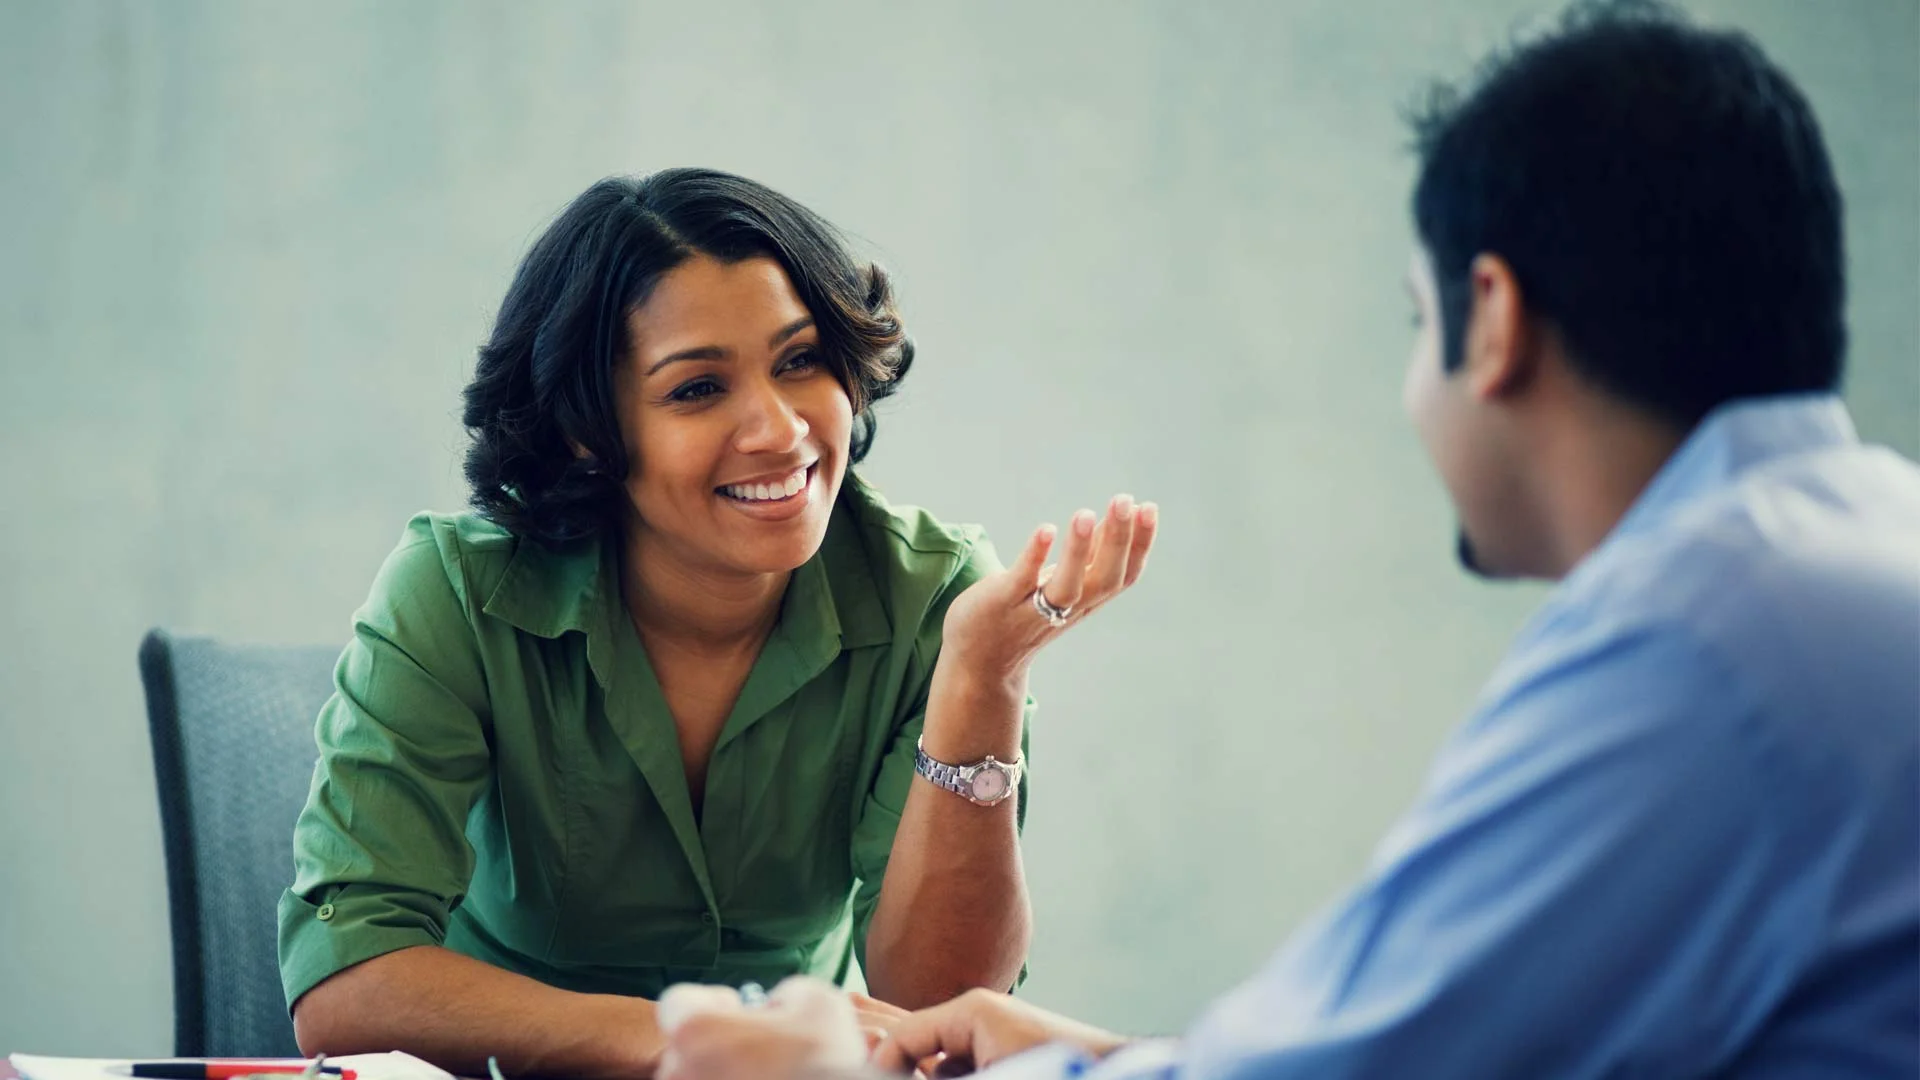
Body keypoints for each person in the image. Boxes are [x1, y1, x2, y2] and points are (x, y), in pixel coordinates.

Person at [650, 2, 1920, 1076]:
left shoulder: (1702, 642)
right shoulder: (1848, 557)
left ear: (1494, 320)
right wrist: (1065, 1053)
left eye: (1414, 320)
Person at [275, 168, 1159, 1077]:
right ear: (588, 431)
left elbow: (937, 1008)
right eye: (697, 389)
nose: (779, 431)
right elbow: (347, 984)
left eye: (800, 361)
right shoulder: (455, 588)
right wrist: (694, 1047)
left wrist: (983, 678)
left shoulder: (934, 600)